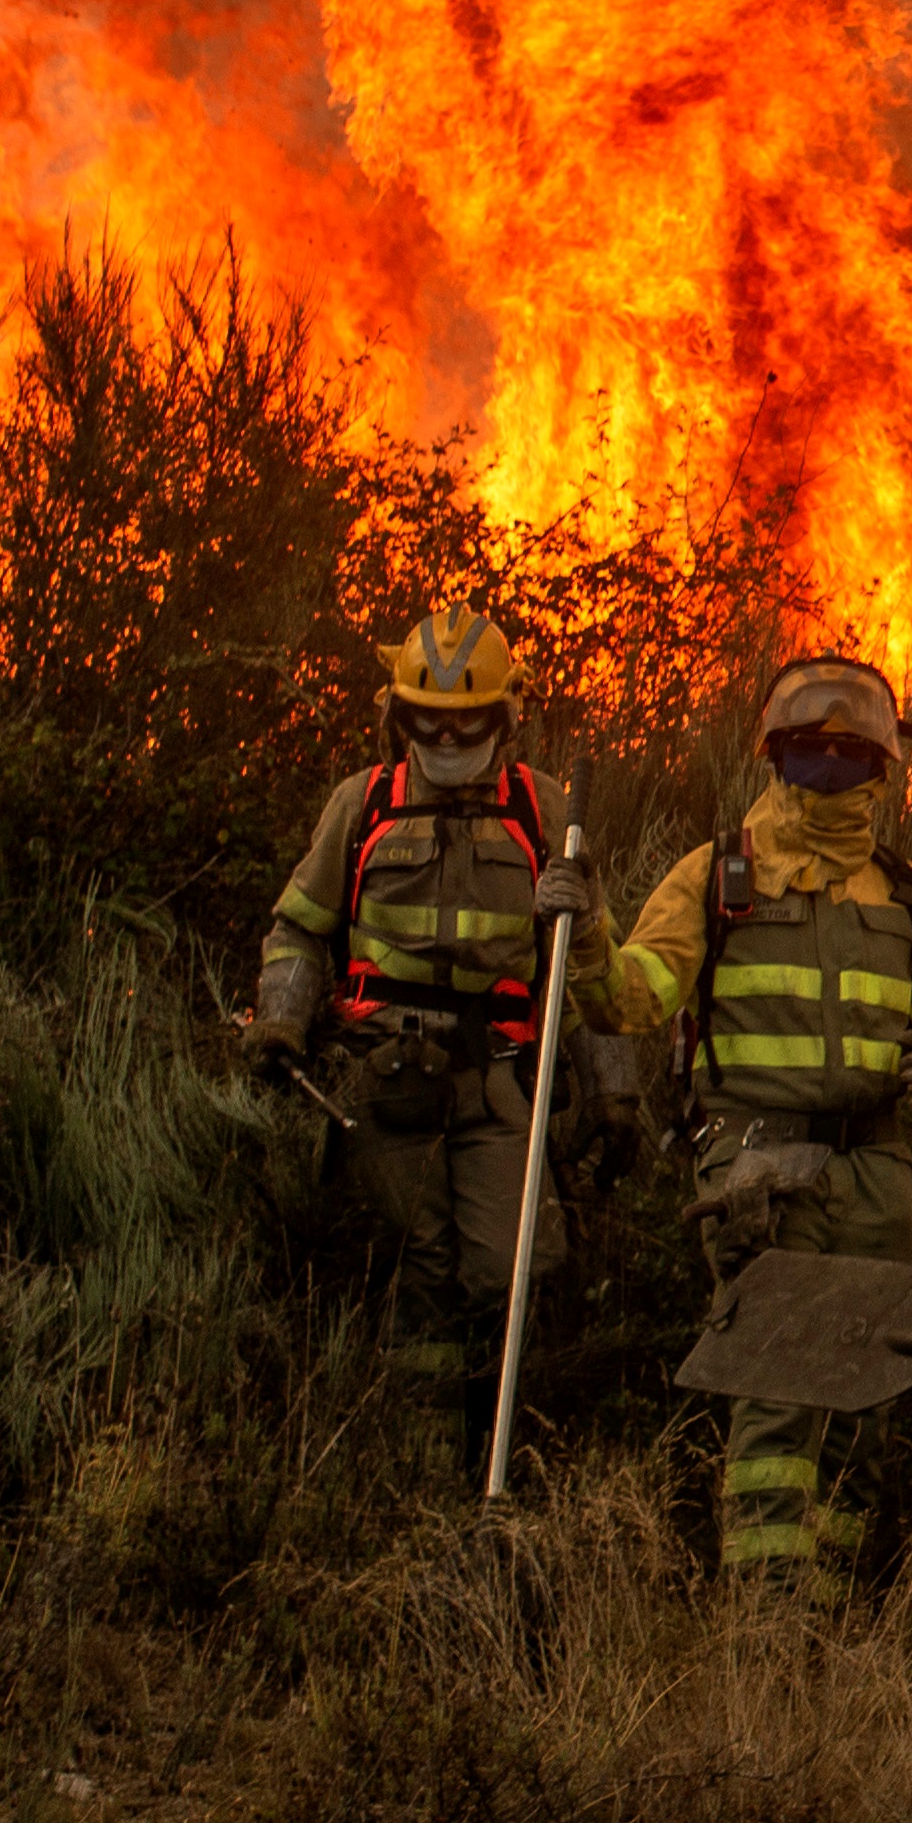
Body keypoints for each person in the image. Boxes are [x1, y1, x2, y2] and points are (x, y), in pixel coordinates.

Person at [600, 654, 912, 1598]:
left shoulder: (905, 891)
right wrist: (582, 944)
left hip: (876, 1165)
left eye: (852, 758)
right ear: (775, 758)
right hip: (758, 1162)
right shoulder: (717, 873)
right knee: (778, 1386)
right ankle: (766, 1617)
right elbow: (637, 998)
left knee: (874, 1390)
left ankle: (831, 1602)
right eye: (812, 755)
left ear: (884, 769)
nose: (832, 774)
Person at [242, 602, 602, 1471]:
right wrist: (282, 1018)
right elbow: (299, 927)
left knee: (511, 1267)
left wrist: (612, 1094)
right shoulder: (360, 805)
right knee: (416, 1267)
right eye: (428, 723)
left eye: (467, 723)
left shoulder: (544, 808)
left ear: (507, 716)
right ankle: (420, 1462)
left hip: (497, 1082)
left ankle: (500, 1442)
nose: (448, 741)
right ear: (397, 716)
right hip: (386, 1081)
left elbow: (587, 976)